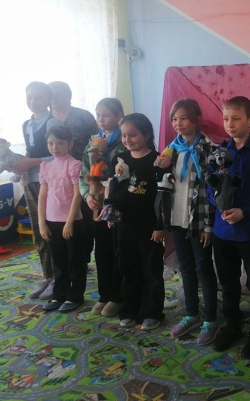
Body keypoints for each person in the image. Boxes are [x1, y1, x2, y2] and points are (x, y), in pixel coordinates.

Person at [207, 96, 250, 358]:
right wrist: (219, 204)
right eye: (226, 119)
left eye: (236, 118)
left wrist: (245, 211)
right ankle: (232, 325)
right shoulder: (219, 152)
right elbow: (209, 185)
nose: (230, 124)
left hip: (249, 231)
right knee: (228, 281)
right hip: (222, 231)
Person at [162, 99, 218, 345]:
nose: (178, 123)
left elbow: (212, 191)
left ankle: (211, 319)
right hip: (177, 218)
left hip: (198, 220)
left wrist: (208, 225)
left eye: (184, 118)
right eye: (174, 119)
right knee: (185, 267)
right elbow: (164, 185)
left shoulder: (208, 149)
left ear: (197, 120)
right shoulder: (171, 150)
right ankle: (191, 314)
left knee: (203, 269)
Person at [105, 113, 166, 331]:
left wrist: (160, 226)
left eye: (133, 135)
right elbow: (113, 188)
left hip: (149, 226)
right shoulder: (119, 159)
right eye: (124, 135)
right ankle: (130, 309)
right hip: (124, 224)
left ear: (146, 134)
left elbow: (164, 196)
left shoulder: (158, 161)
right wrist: (110, 213)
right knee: (128, 267)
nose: (127, 139)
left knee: (151, 269)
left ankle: (152, 312)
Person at [12, 82, 63, 300]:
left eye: (38, 97)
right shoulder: (27, 124)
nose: (33, 102)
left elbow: (60, 155)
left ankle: (60, 277)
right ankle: (48, 276)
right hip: (31, 181)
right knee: (38, 228)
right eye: (29, 97)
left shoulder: (53, 123)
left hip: (52, 182)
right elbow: (29, 152)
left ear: (48, 100)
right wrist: (17, 164)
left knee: (53, 229)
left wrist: (32, 161)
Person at [79, 98, 126, 317]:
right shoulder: (92, 142)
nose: (101, 119)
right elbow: (83, 174)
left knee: (118, 250)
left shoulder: (124, 140)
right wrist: (87, 195)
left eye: (106, 115)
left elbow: (124, 174)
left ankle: (118, 296)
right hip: (97, 204)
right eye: (98, 115)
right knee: (102, 252)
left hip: (116, 203)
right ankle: (104, 294)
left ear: (118, 116)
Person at [49, 81, 99, 264]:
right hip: (56, 179)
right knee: (58, 219)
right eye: (51, 93)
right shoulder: (47, 119)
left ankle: (83, 259)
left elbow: (97, 142)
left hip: (82, 175)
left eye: (59, 93)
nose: (54, 97)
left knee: (84, 220)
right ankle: (64, 261)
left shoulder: (83, 116)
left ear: (69, 95)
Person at [38, 125, 86, 312]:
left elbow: (77, 195)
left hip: (72, 222)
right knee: (57, 261)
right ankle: (59, 294)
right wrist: (42, 222)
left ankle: (75, 296)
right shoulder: (46, 166)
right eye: (50, 143)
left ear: (70, 144)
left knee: (75, 261)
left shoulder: (74, 165)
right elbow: (42, 196)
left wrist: (69, 222)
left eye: (60, 143)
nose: (55, 147)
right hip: (51, 221)